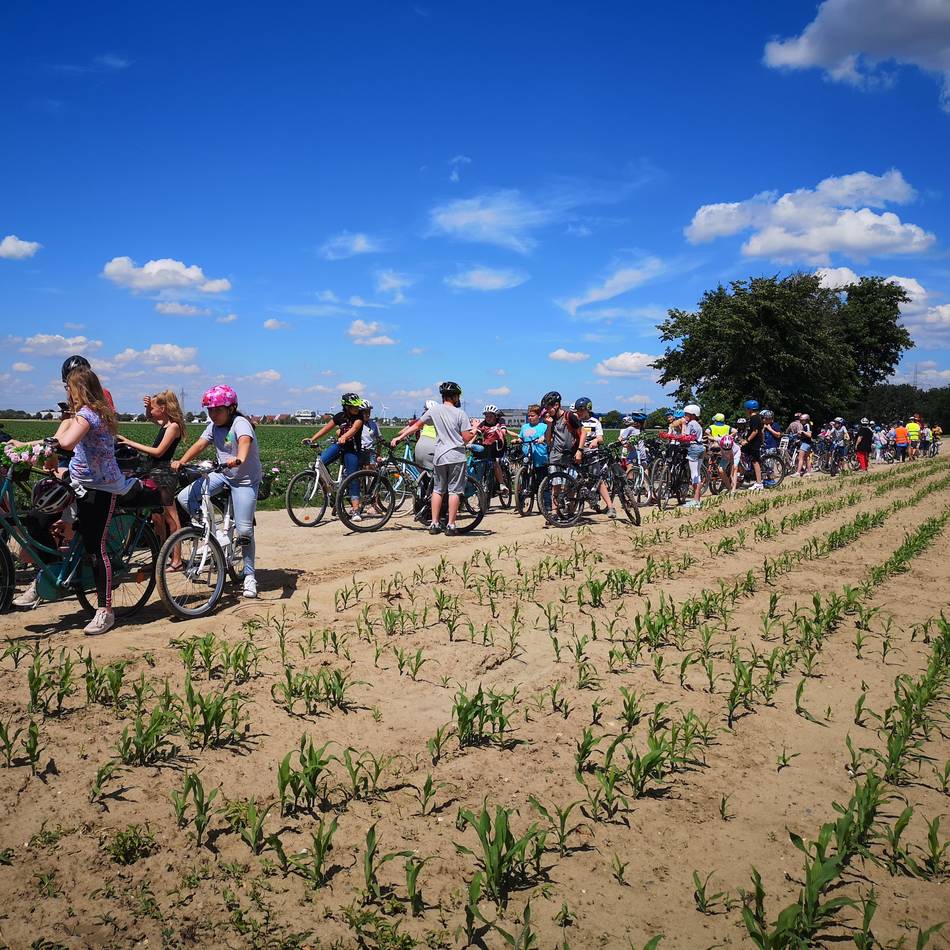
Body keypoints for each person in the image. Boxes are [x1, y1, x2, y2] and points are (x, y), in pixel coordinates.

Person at [13, 367, 146, 633]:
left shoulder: (90, 414)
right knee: (37, 518)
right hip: (76, 480)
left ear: (80, 389)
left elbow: (67, 442)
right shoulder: (83, 414)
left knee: (97, 549)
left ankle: (105, 611)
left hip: (101, 487)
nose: (68, 394)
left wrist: (28, 447)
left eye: (69, 389)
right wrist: (25, 446)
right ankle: (48, 578)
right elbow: (62, 439)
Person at [173, 385, 262, 598]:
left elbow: (244, 443)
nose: (213, 414)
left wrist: (238, 458)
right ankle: (210, 536)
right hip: (223, 474)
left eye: (217, 410)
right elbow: (200, 444)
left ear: (231, 409)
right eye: (210, 410)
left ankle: (249, 576)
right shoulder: (213, 426)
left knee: (245, 530)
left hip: (245, 480)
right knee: (185, 497)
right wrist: (182, 461)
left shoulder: (241, 424)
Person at [390, 380, 479, 535]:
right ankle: (451, 525)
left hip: (439, 455)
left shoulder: (434, 411)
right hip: (456, 456)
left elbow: (416, 425)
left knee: (438, 490)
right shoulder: (460, 414)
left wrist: (400, 437)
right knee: (454, 491)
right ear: (455, 397)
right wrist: (475, 428)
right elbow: (465, 437)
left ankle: (434, 523)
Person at [116, 391, 185, 567]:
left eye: (154, 408)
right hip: (153, 472)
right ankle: (160, 558)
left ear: (163, 408)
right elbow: (150, 417)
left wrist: (129, 442)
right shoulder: (165, 424)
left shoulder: (173, 427)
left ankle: (176, 560)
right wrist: (147, 406)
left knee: (171, 517)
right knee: (156, 518)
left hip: (164, 473)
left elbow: (158, 452)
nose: (151, 412)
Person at [303, 393, 365, 515]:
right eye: (354, 406)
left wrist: (345, 436)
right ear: (346, 406)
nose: (357, 409)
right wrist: (313, 439)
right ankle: (329, 489)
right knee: (320, 463)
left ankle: (356, 509)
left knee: (352, 478)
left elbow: (354, 429)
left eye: (358, 406)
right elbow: (326, 428)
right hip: (340, 446)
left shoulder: (359, 417)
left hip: (352, 449)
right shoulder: (339, 416)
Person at [572, 397, 616, 518]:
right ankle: (571, 509)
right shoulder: (575, 421)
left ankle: (611, 507)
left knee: (597, 479)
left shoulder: (595, 422)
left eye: (582, 409)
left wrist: (596, 440)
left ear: (588, 409)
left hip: (592, 454)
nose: (579, 412)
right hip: (578, 453)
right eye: (578, 410)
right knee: (574, 480)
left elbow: (601, 438)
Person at [541, 391, 586, 472]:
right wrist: (549, 425)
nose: (547, 411)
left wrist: (580, 450)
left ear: (556, 405)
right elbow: (548, 441)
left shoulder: (569, 416)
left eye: (548, 408)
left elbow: (583, 432)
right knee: (554, 482)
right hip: (555, 454)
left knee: (567, 483)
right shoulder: (550, 419)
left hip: (569, 454)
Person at [475, 405, 508, 493]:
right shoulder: (483, 423)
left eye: (490, 416)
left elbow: (504, 430)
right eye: (486, 416)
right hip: (487, 446)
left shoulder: (500, 421)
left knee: (495, 462)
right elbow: (476, 432)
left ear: (495, 416)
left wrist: (502, 431)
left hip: (498, 445)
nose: (488, 418)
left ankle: (501, 483)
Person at [513, 403, 549, 483]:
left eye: (532, 416)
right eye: (529, 416)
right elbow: (521, 438)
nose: (530, 418)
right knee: (525, 476)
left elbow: (546, 436)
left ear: (539, 416)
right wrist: (517, 440)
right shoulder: (524, 427)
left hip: (540, 456)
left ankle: (542, 493)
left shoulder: (543, 426)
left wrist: (542, 439)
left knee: (541, 478)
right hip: (526, 455)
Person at [740, 400, 764, 491]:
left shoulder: (755, 418)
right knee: (742, 453)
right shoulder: (754, 418)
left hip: (754, 443)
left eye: (746, 409)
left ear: (749, 409)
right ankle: (745, 476)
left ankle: (759, 483)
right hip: (752, 443)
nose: (745, 411)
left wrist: (747, 440)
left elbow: (755, 431)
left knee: (755, 462)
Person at [413, 399, 438, 472]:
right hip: (433, 448)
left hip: (419, 447)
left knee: (421, 472)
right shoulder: (439, 421)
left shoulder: (422, 420)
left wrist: (399, 437)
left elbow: (408, 429)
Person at [359, 400, 381, 467]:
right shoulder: (355, 423)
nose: (367, 414)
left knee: (370, 472)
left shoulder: (373, 424)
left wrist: (378, 455)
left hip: (370, 452)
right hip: (359, 451)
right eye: (365, 412)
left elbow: (379, 440)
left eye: (369, 412)